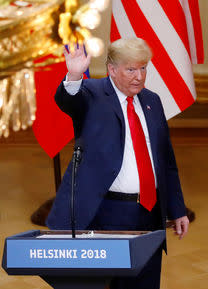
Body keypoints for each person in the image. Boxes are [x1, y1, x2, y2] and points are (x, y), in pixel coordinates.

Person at [46, 38, 189, 289]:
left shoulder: (152, 101)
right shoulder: (92, 94)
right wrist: (74, 74)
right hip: (107, 213)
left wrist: (177, 209)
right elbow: (69, 101)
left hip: (150, 212)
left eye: (143, 68)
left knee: (144, 282)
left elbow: (166, 161)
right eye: (131, 69)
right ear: (112, 69)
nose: (139, 76)